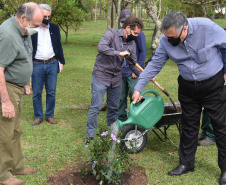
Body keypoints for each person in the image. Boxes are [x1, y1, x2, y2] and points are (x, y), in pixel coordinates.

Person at [132, 12, 226, 185]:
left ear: (185, 28)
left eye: (173, 37)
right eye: (167, 37)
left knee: (221, 127)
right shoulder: (167, 40)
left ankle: (225, 170)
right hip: (188, 87)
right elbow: (154, 64)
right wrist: (139, 88)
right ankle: (186, 164)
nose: (170, 40)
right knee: (189, 126)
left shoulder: (207, 28)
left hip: (213, 85)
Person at [0, 2, 43, 185]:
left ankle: (16, 166)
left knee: (17, 129)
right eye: (35, 25)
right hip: (7, 88)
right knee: (5, 133)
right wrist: (5, 102)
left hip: (18, 87)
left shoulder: (23, 30)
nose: (37, 29)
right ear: (24, 18)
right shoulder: (7, 35)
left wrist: (25, 83)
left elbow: (22, 57)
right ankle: (3, 175)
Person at [85, 17, 144, 146]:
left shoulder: (132, 44)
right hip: (101, 75)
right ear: (128, 28)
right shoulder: (111, 33)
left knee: (114, 108)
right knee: (95, 107)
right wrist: (118, 53)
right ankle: (90, 137)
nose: (136, 36)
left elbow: (133, 64)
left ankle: (110, 135)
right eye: (135, 33)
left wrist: (145, 75)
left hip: (116, 78)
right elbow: (101, 47)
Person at [31, 4, 65, 126]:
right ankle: (38, 116)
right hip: (36, 64)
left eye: (49, 16)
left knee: (51, 91)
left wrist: (62, 61)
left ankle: (50, 115)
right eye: (44, 16)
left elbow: (58, 45)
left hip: (52, 63)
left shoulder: (54, 28)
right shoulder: (32, 28)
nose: (47, 18)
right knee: (37, 92)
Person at [117, 9, 146, 122]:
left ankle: (137, 119)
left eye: (126, 21)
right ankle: (122, 120)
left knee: (134, 95)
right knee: (120, 97)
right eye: (122, 21)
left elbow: (142, 51)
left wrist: (137, 70)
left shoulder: (138, 33)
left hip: (133, 70)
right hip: (120, 71)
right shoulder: (118, 33)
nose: (124, 24)